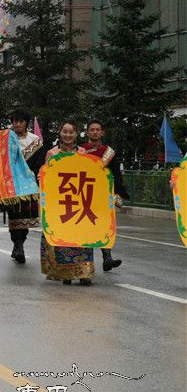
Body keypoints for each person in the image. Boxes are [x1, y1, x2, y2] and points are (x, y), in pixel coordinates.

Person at [40, 121, 94, 286]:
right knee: (62, 238)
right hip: (59, 202)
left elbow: (90, 174)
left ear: (76, 134)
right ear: (60, 132)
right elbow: (46, 174)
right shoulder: (52, 153)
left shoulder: (83, 153)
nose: (68, 135)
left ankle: (84, 271)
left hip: (79, 201)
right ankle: (65, 272)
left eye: (71, 132)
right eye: (65, 131)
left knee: (81, 237)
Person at [80, 120, 129, 272]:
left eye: (98, 129)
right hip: (83, 195)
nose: (95, 132)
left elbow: (116, 174)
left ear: (102, 133)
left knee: (104, 226)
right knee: (85, 227)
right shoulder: (80, 150)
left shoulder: (109, 152)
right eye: (92, 129)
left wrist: (120, 193)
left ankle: (107, 258)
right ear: (87, 132)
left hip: (102, 196)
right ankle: (86, 261)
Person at [6, 109, 45, 263]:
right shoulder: (6, 138)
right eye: (15, 121)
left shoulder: (35, 141)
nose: (17, 124)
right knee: (14, 215)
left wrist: (31, 176)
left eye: (20, 121)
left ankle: (20, 244)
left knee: (26, 216)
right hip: (13, 184)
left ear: (26, 123)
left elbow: (39, 163)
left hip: (29, 184)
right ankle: (18, 245)